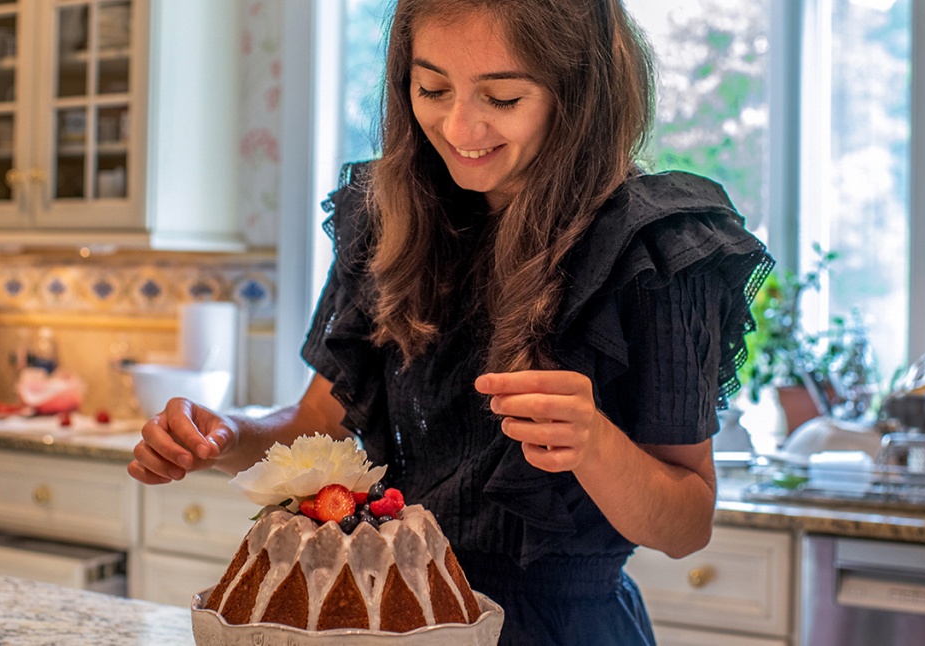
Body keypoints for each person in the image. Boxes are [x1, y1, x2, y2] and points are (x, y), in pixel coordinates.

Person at [128, 0, 773, 643]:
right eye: (432, 88)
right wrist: (221, 435)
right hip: (408, 616)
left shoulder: (654, 250)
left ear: (577, 95)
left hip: (564, 628)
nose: (460, 126)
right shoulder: (386, 223)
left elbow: (687, 525)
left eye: (502, 98)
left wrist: (594, 443)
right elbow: (312, 428)